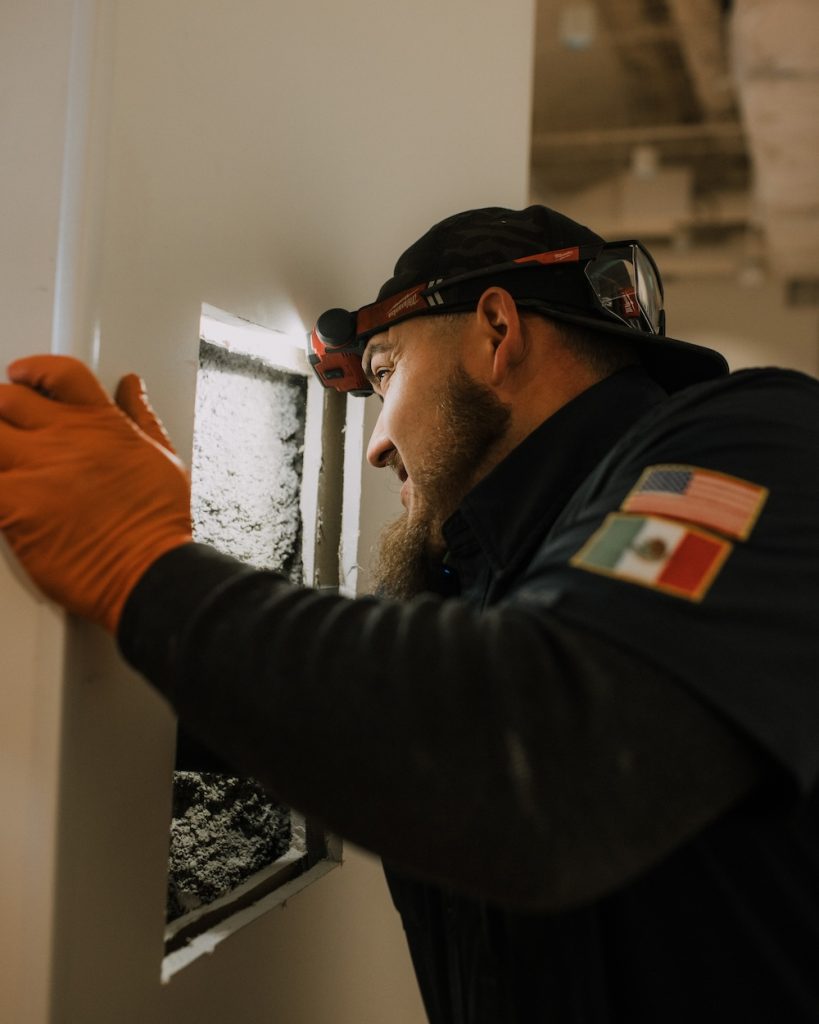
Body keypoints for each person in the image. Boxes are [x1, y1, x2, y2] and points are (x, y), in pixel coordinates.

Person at [1, 205, 818, 1023]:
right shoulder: (501, 582)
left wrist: (142, 563)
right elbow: (381, 706)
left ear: (497, 330)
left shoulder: (756, 442)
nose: (374, 445)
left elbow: (544, 748)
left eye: (385, 372)